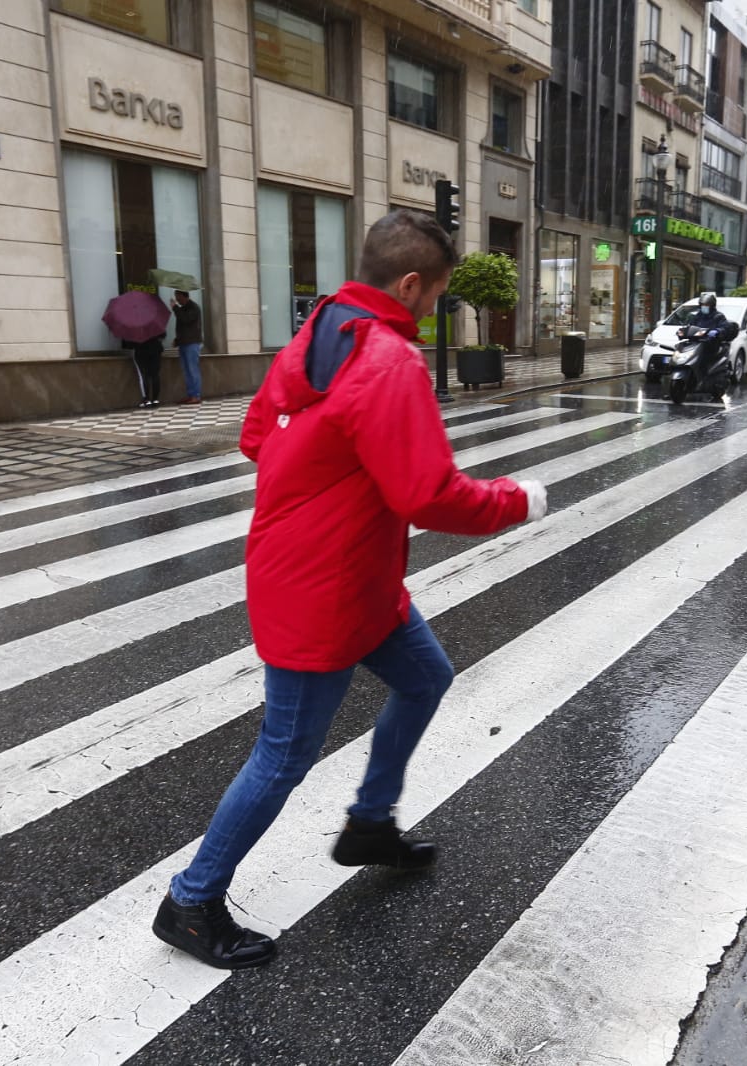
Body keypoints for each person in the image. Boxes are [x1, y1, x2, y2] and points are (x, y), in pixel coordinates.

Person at [153, 209, 547, 969]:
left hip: (357, 579)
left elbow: (257, 438)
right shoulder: (388, 361)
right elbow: (428, 494)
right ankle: (191, 900)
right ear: (408, 283)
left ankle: (369, 822)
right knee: (283, 752)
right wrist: (517, 499)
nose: (434, 309)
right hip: (321, 591)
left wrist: (326, 479)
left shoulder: (320, 332)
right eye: (434, 295)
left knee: (426, 677)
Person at [171, 289, 203, 405]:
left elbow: (185, 320)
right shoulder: (183, 308)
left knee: (192, 369)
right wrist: (177, 340)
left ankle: (196, 395)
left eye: (177, 296)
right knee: (186, 370)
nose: (176, 299)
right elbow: (183, 328)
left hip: (192, 343)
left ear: (184, 296)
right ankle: (191, 394)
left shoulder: (193, 308)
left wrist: (175, 308)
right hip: (184, 343)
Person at [131, 333, 163, 409]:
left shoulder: (134, 324)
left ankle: (147, 399)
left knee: (143, 375)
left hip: (141, 350)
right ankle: (155, 399)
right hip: (155, 349)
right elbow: (162, 335)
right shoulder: (154, 322)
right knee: (155, 374)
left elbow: (130, 343)